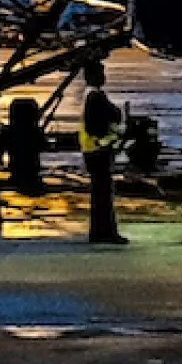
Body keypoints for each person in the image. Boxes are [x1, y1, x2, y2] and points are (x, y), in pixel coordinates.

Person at [77, 60, 127, 245]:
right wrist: (107, 137)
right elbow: (101, 121)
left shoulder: (90, 95)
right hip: (98, 150)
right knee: (103, 194)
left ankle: (100, 231)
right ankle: (106, 232)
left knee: (100, 194)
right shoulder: (95, 97)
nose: (104, 77)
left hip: (93, 150)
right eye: (101, 73)